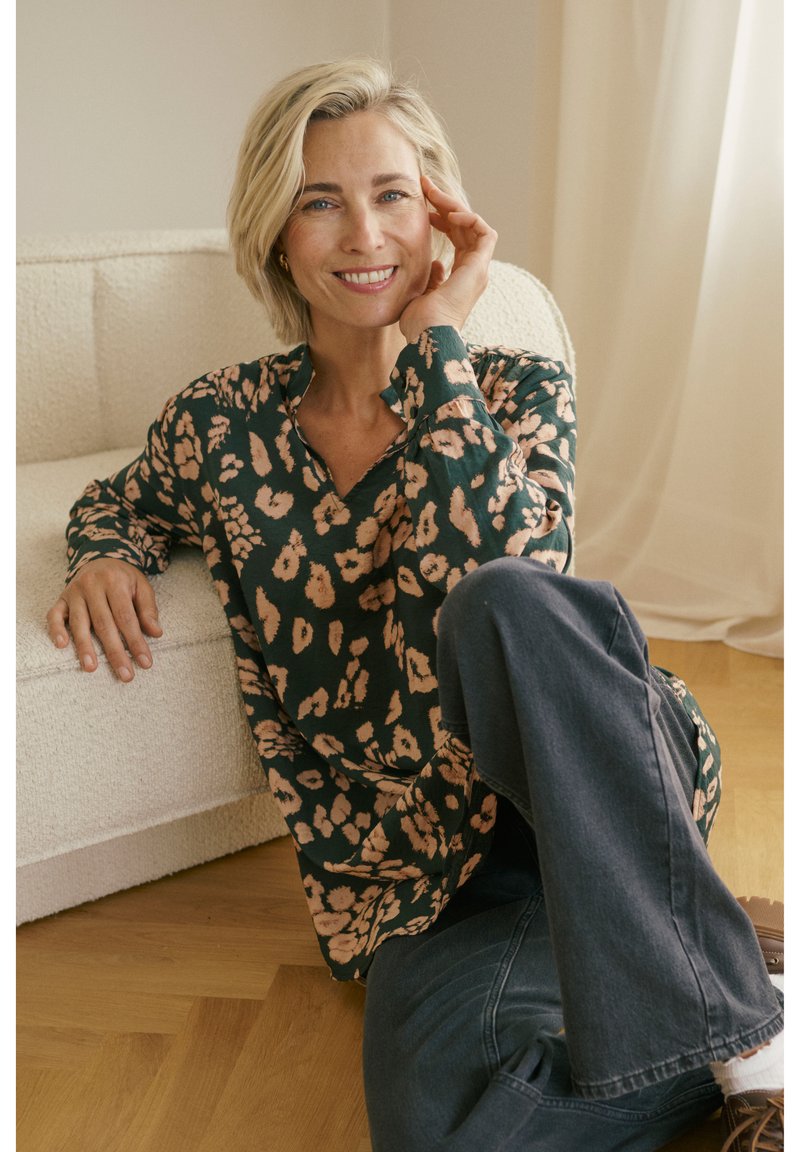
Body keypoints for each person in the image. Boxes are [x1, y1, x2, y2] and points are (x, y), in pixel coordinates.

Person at [47, 58, 783, 1151]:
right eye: (320, 201)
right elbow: (121, 498)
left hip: (590, 785)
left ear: (437, 212)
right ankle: (712, 996)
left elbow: (518, 568)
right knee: (443, 1135)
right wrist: (103, 552)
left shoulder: (509, 386)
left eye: (391, 194)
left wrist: (437, 346)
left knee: (501, 601)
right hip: (411, 880)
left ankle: (756, 1057)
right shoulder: (219, 426)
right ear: (276, 235)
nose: (363, 235)